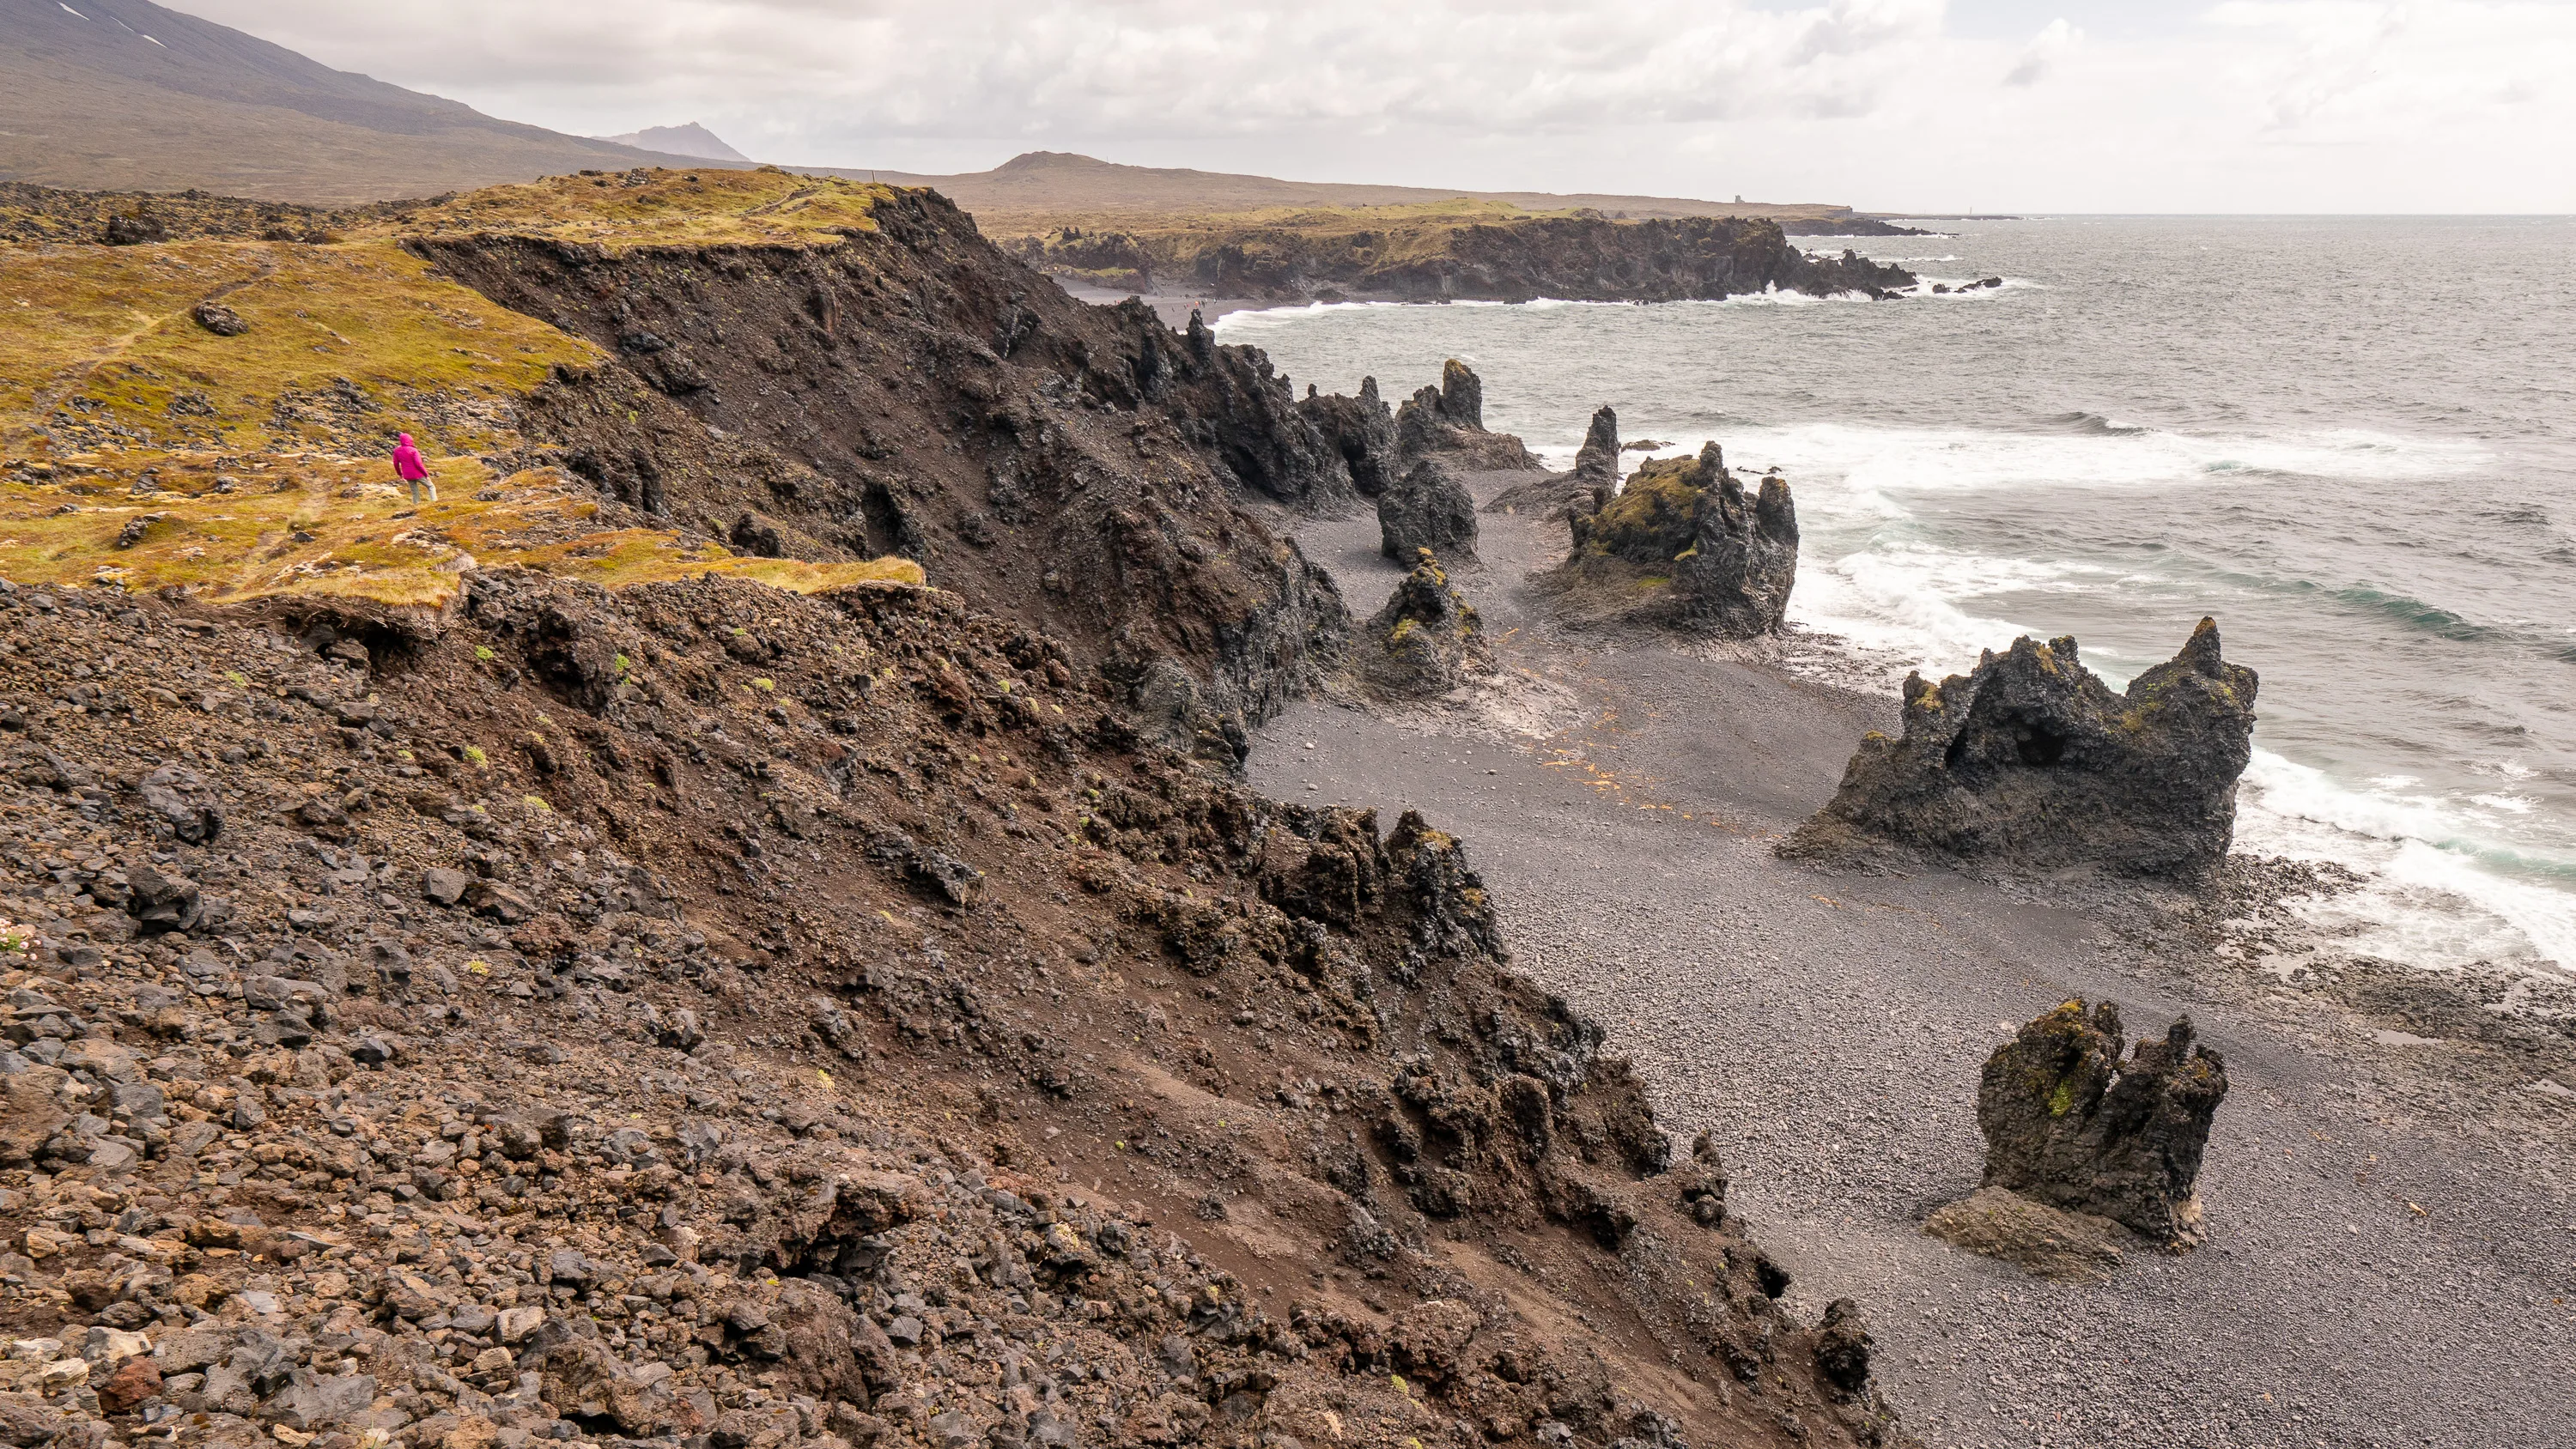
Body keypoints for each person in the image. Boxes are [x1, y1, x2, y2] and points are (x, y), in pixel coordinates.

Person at [392, 433, 434, 505]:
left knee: (415, 492)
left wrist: (400, 474)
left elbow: (396, 464)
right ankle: (434, 502)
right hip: (418, 474)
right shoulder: (413, 450)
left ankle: (416, 505)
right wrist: (426, 475)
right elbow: (418, 464)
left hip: (407, 475)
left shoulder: (397, 451)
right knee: (431, 487)